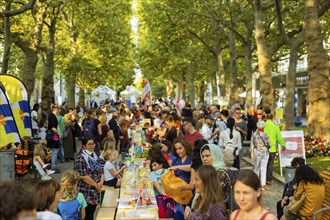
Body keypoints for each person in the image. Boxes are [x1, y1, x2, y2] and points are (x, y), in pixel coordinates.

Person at [74, 138, 104, 220]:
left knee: (91, 215)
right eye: (89, 144)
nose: (92, 146)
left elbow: (101, 171)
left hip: (94, 192)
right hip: (85, 191)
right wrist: (96, 185)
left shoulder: (95, 157)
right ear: (84, 146)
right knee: (84, 216)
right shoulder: (80, 158)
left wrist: (101, 183)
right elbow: (83, 176)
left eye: (93, 144)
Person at [200, 144, 232, 209]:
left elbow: (215, 197)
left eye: (207, 156)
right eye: (203, 156)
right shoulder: (205, 172)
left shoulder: (221, 174)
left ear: (216, 155)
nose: (204, 159)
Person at [171, 138, 193, 220]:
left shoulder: (191, 159)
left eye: (180, 148)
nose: (178, 151)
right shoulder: (176, 160)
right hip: (178, 193)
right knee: (178, 215)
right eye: (176, 149)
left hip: (189, 191)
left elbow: (192, 168)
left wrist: (178, 167)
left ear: (185, 147)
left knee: (188, 215)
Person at [264, 113, 286, 185]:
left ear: (266, 118)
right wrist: (283, 146)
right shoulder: (275, 127)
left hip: (263, 148)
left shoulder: (263, 126)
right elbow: (279, 138)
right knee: (270, 164)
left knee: (263, 164)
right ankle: (269, 179)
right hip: (272, 149)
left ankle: (262, 179)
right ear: (272, 118)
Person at [250, 121, 271, 190]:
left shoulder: (254, 134)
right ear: (264, 127)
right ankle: (263, 185)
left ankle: (256, 184)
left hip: (257, 153)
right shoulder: (266, 134)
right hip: (265, 153)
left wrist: (252, 154)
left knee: (256, 168)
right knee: (263, 168)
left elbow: (252, 144)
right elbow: (269, 145)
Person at [47, 104, 61, 173]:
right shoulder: (52, 116)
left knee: (54, 151)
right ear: (56, 109)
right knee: (55, 151)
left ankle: (53, 166)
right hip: (54, 136)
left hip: (52, 136)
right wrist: (58, 133)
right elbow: (53, 127)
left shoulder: (50, 115)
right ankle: (53, 167)